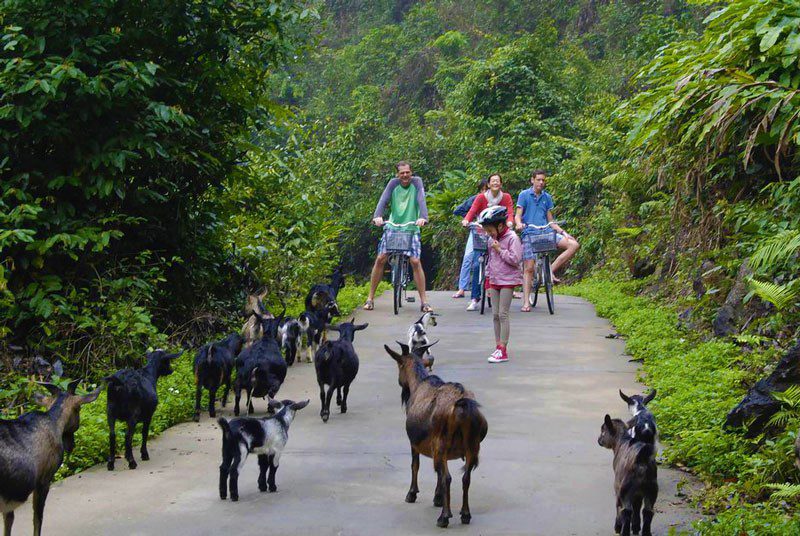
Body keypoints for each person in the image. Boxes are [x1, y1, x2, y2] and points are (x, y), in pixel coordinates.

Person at [363, 161, 433, 313]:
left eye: (407, 172)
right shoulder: (393, 184)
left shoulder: (417, 182)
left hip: (412, 227)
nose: (405, 175)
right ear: (397, 174)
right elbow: (383, 200)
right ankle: (370, 298)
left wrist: (423, 217)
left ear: (411, 172)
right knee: (381, 258)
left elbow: (421, 199)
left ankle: (424, 301)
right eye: (402, 173)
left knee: (415, 261)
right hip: (393, 226)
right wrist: (377, 216)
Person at [515, 170, 580, 311]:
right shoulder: (524, 195)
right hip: (529, 233)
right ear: (532, 180)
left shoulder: (547, 197)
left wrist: (564, 233)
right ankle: (526, 301)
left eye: (543, 180)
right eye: (538, 180)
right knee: (529, 268)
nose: (541, 182)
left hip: (546, 232)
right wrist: (519, 224)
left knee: (573, 245)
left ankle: (549, 270)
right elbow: (518, 215)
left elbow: (551, 221)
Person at [461, 173, 515, 311]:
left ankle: (502, 289)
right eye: (493, 181)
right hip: (483, 234)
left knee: (502, 260)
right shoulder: (481, 197)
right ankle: (474, 298)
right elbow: (472, 210)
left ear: (501, 184)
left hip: (499, 234)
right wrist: (467, 220)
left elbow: (510, 212)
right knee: (476, 263)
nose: (495, 183)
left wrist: (510, 222)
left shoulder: (506, 197)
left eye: (498, 181)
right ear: (489, 184)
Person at [477, 205, 522, 363]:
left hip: (508, 280)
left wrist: (500, 249)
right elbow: (490, 262)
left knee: (503, 314)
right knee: (495, 315)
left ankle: (503, 349)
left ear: (501, 225)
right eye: (487, 231)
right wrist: (487, 282)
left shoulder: (512, 238)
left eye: (490, 230)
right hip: (495, 280)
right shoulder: (491, 240)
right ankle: (497, 346)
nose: (488, 234)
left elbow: (515, 260)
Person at [452, 178, 489, 301]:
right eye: (482, 190)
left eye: (486, 189)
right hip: (477, 232)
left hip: (491, 232)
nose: (484, 192)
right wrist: (469, 220)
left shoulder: (495, 200)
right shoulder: (475, 199)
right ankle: (462, 288)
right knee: (468, 257)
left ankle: (506, 287)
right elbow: (458, 210)